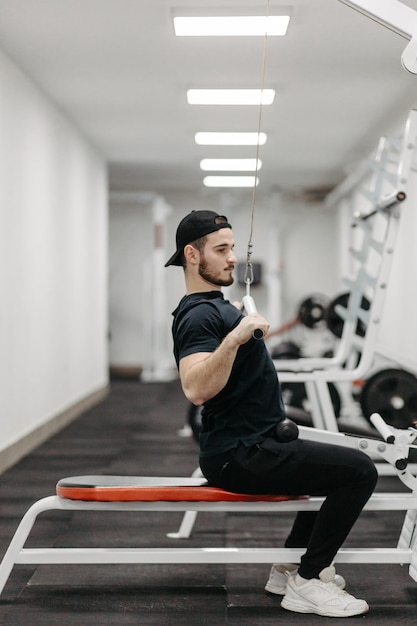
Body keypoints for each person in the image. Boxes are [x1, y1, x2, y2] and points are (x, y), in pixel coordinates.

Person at [165, 210, 378, 618]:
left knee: (324, 465)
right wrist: (236, 337)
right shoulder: (197, 315)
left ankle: (289, 568)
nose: (232, 258)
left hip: (253, 444)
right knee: (359, 471)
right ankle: (310, 579)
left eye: (232, 248)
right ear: (192, 255)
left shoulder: (216, 304)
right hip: (240, 452)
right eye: (221, 249)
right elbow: (195, 388)